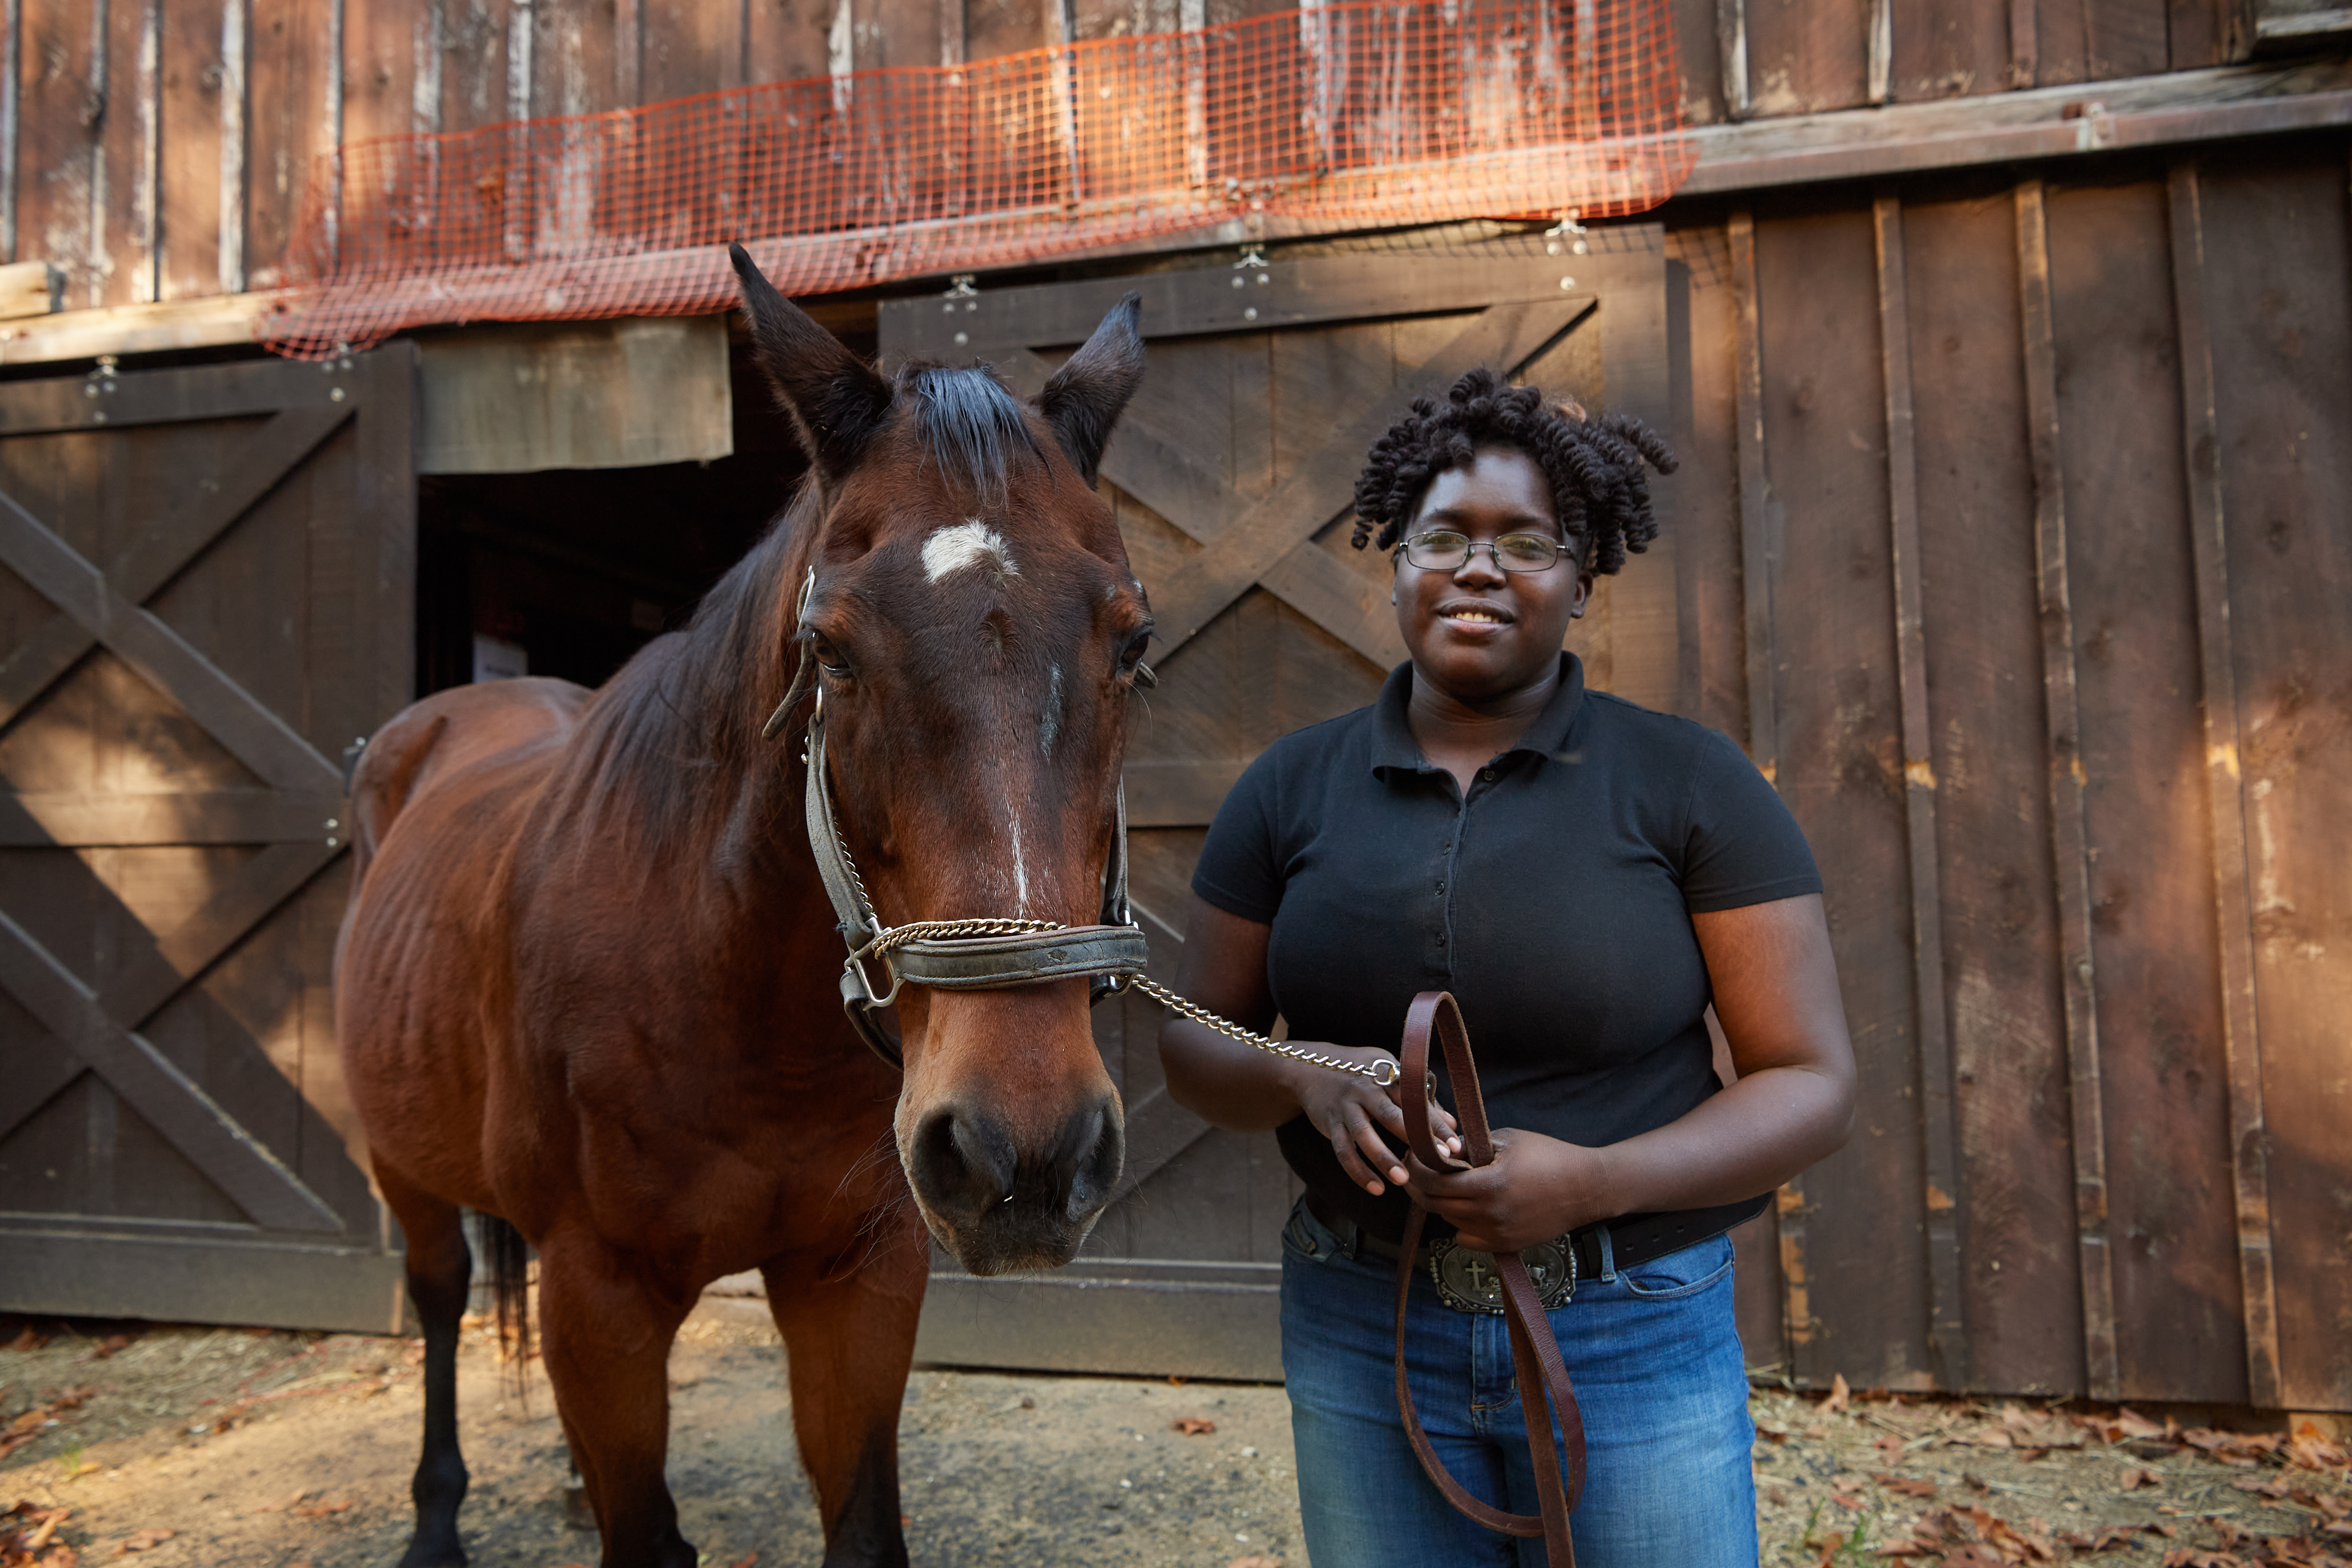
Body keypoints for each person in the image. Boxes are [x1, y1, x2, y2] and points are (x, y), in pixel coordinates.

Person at [1157, 368, 1856, 1566]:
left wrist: (1597, 1182)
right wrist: (1298, 1074)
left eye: (1529, 543)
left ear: (1583, 581)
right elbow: (1191, 1043)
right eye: (1445, 538)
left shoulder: (1689, 785)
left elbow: (1811, 1081)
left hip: (1633, 1322)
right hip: (1361, 1319)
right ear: (1396, 562)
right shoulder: (1288, 788)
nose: (1480, 569)